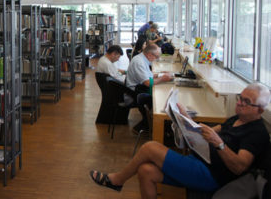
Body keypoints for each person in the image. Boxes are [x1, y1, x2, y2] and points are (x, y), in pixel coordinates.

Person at [90, 83, 271, 199]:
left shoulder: (257, 133)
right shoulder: (235, 118)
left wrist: (220, 144)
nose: (239, 103)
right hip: (201, 160)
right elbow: (204, 132)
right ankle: (117, 181)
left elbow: (239, 166)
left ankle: (118, 180)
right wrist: (185, 119)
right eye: (240, 98)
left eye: (246, 102)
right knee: (146, 171)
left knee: (150, 148)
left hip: (212, 174)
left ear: (260, 110)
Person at [126, 44, 173, 132]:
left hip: (140, 86)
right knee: (161, 98)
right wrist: (163, 78)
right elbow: (147, 82)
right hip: (136, 91)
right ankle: (154, 124)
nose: (157, 59)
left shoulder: (143, 59)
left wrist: (160, 74)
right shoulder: (139, 62)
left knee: (163, 93)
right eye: (157, 57)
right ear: (149, 55)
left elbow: (148, 75)